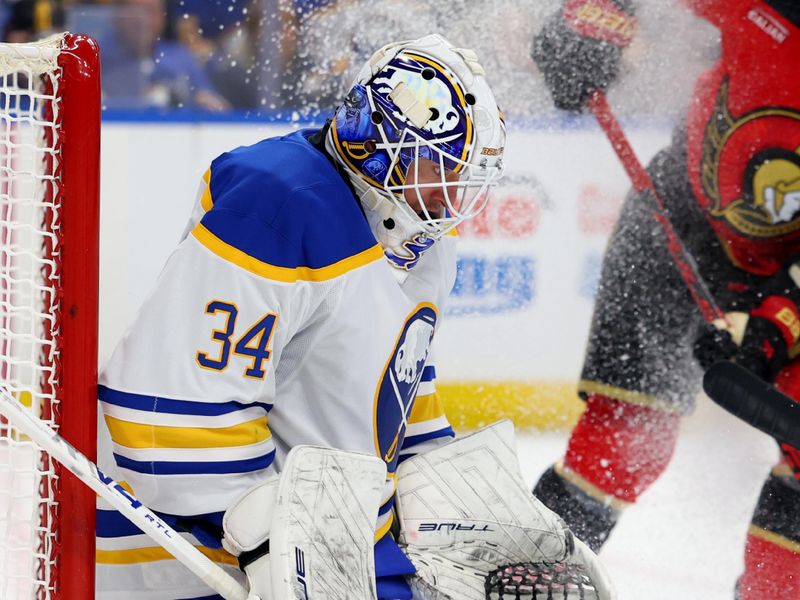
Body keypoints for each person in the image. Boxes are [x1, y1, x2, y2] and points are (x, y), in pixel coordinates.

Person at [95, 33, 610, 600]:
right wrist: (268, 540)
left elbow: (400, 387)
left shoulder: (424, 236)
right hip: (200, 559)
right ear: (377, 145)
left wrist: (459, 498)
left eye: (461, 175)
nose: (450, 194)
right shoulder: (278, 202)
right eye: (438, 167)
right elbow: (168, 404)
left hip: (348, 543)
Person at [529, 1, 800, 598]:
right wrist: (592, 20)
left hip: (785, 277)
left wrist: (774, 328)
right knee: (626, 438)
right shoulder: (768, 13)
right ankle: (529, 583)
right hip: (679, 219)